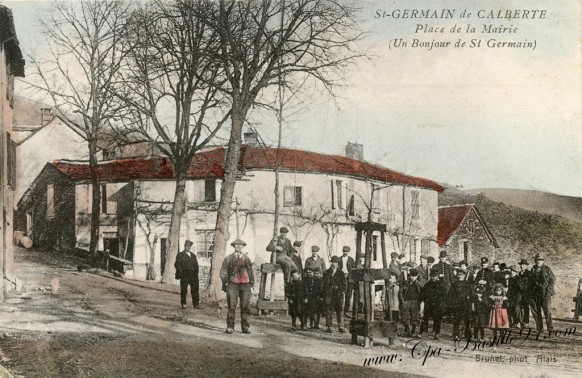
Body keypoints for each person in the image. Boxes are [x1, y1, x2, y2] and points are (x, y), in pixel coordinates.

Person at [220, 239, 254, 334]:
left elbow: (250, 272)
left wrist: (251, 284)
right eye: (236, 245)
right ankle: (230, 326)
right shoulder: (228, 258)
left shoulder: (246, 258)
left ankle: (246, 327)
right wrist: (226, 282)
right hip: (233, 285)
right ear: (234, 247)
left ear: (243, 247)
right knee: (231, 306)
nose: (239, 247)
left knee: (246, 307)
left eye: (240, 245)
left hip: (245, 285)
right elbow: (223, 271)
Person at [529, 254, 555, 333]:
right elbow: (530, 281)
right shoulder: (533, 269)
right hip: (535, 293)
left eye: (540, 260)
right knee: (536, 311)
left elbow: (552, 280)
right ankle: (539, 328)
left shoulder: (547, 269)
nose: (538, 262)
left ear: (543, 261)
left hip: (545, 293)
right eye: (537, 260)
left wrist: (548, 290)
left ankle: (550, 328)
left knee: (547, 311)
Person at [420, 268, 447, 340]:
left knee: (437, 319)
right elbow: (423, 294)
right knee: (425, 317)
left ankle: (436, 333)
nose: (433, 277)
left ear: (438, 276)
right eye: (431, 276)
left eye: (434, 276)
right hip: (429, 304)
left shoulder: (441, 284)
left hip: (438, 304)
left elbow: (444, 295)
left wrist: (441, 303)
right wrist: (423, 301)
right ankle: (422, 331)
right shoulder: (428, 284)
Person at [323, 256, 346, 333]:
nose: (334, 264)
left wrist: (340, 289)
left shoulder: (341, 273)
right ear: (331, 263)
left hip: (338, 295)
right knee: (329, 310)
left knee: (339, 310)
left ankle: (341, 326)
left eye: (336, 262)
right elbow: (323, 284)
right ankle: (329, 326)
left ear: (338, 263)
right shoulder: (326, 272)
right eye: (333, 262)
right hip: (329, 294)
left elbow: (344, 285)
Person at [174, 240, 201, 309]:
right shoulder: (180, 255)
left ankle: (196, 304)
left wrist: (196, 273)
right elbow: (176, 264)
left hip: (193, 275)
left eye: (189, 246)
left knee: (195, 289)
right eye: (187, 246)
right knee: (184, 289)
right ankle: (183, 303)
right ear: (184, 246)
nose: (188, 247)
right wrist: (181, 271)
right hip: (184, 275)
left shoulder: (193, 255)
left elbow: (196, 265)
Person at [448, 268, 473, 341]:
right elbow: (450, 295)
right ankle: (455, 335)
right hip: (457, 305)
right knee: (456, 321)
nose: (459, 276)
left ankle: (468, 336)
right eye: (458, 274)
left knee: (467, 321)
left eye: (461, 275)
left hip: (466, 305)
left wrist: (471, 303)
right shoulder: (454, 284)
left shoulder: (468, 284)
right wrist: (451, 304)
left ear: (464, 275)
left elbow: (472, 295)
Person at [399, 268, 422, 338]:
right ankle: (407, 330)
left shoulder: (418, 284)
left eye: (414, 276)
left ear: (417, 276)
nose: (413, 278)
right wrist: (402, 301)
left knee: (414, 317)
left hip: (415, 302)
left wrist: (419, 302)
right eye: (412, 276)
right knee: (405, 317)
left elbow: (421, 294)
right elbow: (400, 293)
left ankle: (413, 331)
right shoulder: (405, 283)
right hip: (406, 302)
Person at [382, 272, 400, 348]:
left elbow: (399, 297)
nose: (392, 280)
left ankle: (392, 341)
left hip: (395, 308)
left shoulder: (397, 288)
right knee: (389, 324)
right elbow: (383, 298)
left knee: (394, 324)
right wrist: (384, 306)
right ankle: (390, 341)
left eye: (393, 278)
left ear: (395, 280)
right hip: (388, 308)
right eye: (390, 278)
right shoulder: (385, 287)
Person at [338, 246, 355, 316]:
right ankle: (338, 310)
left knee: (348, 295)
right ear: (342, 251)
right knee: (339, 294)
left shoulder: (351, 260)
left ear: (348, 252)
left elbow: (353, 269)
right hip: (341, 277)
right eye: (344, 251)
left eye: (346, 251)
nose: (345, 253)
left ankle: (346, 311)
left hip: (349, 278)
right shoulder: (339, 259)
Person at [516, 259, 531, 328]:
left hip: (526, 293)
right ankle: (519, 321)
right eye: (521, 265)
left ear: (526, 266)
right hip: (519, 292)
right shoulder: (519, 274)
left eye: (524, 265)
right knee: (518, 307)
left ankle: (526, 322)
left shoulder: (529, 273)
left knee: (526, 307)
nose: (522, 266)